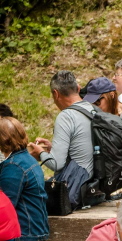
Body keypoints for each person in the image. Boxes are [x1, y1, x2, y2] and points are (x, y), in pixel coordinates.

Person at [29, 70, 95, 205]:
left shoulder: (66, 116)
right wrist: (53, 148)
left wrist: (40, 152)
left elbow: (55, 163)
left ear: (55, 93)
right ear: (77, 88)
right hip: (94, 186)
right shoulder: (92, 109)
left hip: (75, 189)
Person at [0, 116, 49, 241]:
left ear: (0, 140)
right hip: (35, 229)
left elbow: (5, 206)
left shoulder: (14, 166)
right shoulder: (27, 158)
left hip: (27, 233)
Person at [84, 76, 122, 158]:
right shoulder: (94, 113)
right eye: (91, 102)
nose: (94, 106)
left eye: (97, 101)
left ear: (112, 95)